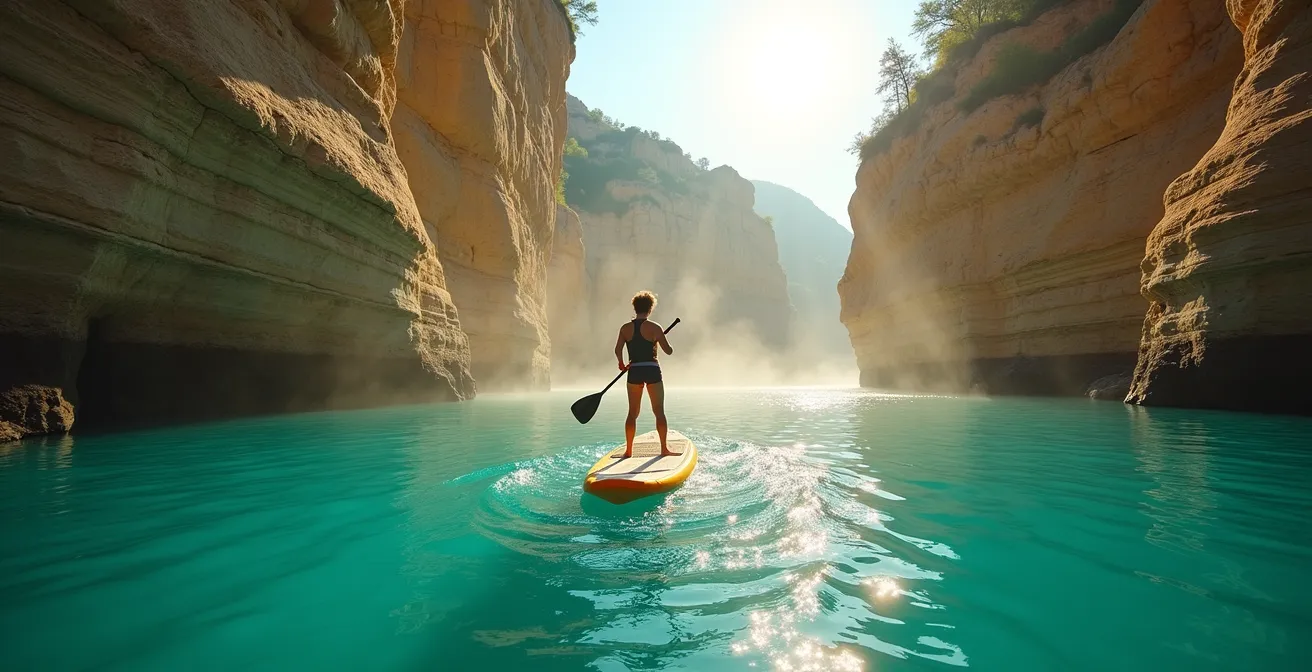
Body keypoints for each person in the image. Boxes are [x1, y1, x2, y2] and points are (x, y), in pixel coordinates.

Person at [615, 290, 675, 457]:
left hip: (634, 371)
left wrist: (621, 363)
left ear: (635, 308)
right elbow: (668, 351)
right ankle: (663, 449)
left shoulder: (625, 328)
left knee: (632, 413)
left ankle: (628, 451)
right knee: (659, 411)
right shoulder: (655, 327)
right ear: (650, 309)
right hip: (652, 370)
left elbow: (618, 349)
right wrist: (659, 339)